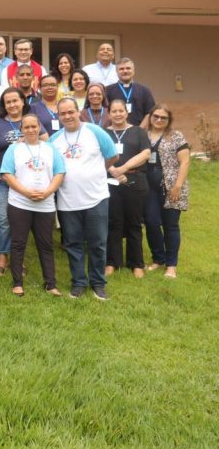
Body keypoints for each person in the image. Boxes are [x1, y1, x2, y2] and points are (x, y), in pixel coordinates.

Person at [50, 97, 118, 300]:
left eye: (71, 112)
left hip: (96, 198)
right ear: (59, 116)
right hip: (67, 202)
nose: (68, 116)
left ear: (78, 111)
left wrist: (97, 172)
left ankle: (98, 283)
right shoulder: (54, 141)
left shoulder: (95, 132)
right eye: (63, 113)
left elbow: (112, 156)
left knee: (97, 243)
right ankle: (78, 282)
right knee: (73, 244)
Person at [0, 113, 67, 296]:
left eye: (33, 126)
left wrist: (48, 192)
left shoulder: (50, 149)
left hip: (45, 205)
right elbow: (7, 174)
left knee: (46, 245)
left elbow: (60, 173)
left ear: (39, 128)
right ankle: (17, 283)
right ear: (21, 129)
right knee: (18, 243)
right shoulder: (14, 149)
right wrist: (26, 192)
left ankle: (51, 284)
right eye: (26, 127)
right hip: (19, 203)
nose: (30, 130)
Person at [0, 87, 39, 276]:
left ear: (23, 101)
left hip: (26, 175)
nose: (12, 105)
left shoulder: (32, 121)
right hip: (0, 175)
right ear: (3, 105)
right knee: (2, 217)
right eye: (7, 102)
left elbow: (46, 143)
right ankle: (3, 256)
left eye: (15, 100)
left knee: (20, 219)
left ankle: (19, 258)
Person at [103, 99, 151, 278]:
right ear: (109, 113)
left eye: (120, 111)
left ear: (126, 112)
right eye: (113, 111)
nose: (117, 114)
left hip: (134, 180)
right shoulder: (103, 132)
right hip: (109, 181)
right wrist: (113, 170)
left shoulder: (138, 131)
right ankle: (112, 262)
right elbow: (97, 154)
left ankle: (136, 263)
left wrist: (123, 170)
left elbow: (145, 153)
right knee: (113, 222)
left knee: (134, 222)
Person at [144, 105, 190, 279]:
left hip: (172, 187)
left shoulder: (176, 136)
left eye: (163, 118)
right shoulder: (144, 135)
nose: (159, 120)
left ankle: (171, 265)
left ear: (169, 120)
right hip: (149, 188)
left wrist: (178, 186)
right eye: (156, 116)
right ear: (150, 117)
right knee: (151, 222)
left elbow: (185, 162)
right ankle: (158, 259)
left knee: (170, 225)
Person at [105, 58, 156, 126]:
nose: (125, 71)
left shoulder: (144, 90)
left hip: (138, 131)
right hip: (114, 131)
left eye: (128, 68)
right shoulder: (107, 90)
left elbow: (149, 113)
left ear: (133, 71)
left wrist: (139, 130)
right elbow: (105, 113)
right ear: (116, 72)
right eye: (121, 69)